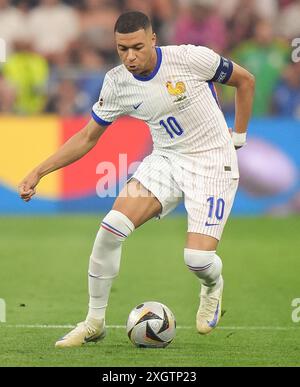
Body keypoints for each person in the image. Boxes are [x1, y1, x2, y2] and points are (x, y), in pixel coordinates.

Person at [18, 11, 255, 348]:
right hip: (166, 160)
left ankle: (212, 285)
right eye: (122, 49)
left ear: (154, 40)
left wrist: (239, 137)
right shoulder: (117, 82)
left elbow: (245, 81)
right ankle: (94, 322)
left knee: (198, 261)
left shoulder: (190, 57)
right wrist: (38, 170)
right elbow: (87, 137)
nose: (130, 56)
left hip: (212, 163)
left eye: (137, 47)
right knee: (109, 229)